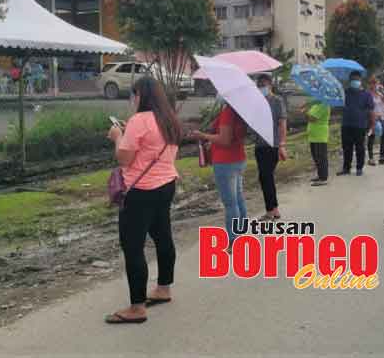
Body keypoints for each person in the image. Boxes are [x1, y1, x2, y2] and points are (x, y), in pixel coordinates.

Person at [106, 77, 181, 324]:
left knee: (133, 246)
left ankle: (137, 307)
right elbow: (152, 146)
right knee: (162, 236)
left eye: (133, 94)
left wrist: (118, 136)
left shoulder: (140, 121)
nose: (132, 99)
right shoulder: (168, 119)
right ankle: (163, 288)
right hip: (166, 184)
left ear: (141, 96)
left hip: (141, 191)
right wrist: (129, 133)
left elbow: (124, 159)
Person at [192, 98, 248, 245]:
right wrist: (212, 139)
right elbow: (229, 136)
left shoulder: (228, 112)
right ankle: (242, 232)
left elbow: (225, 140)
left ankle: (234, 239)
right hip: (238, 158)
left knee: (231, 204)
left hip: (225, 162)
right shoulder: (241, 110)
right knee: (239, 198)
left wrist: (203, 136)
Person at [253, 74, 288, 220]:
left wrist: (282, 144)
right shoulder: (257, 102)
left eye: (264, 84)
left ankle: (272, 210)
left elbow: (282, 123)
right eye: (259, 84)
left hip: (272, 144)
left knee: (266, 176)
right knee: (264, 177)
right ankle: (273, 209)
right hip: (260, 144)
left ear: (270, 85)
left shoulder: (277, 101)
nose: (262, 87)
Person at [338, 71, 375, 177]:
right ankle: (346, 168)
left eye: (357, 79)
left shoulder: (366, 94)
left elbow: (371, 111)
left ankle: (359, 168)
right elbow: (339, 106)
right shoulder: (345, 92)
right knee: (346, 147)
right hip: (346, 124)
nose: (355, 81)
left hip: (360, 125)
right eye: (353, 79)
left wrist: (372, 125)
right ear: (350, 81)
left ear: (360, 80)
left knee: (360, 147)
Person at [303, 100, 331, 186]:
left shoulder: (324, 105)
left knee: (321, 157)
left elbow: (313, 119)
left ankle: (323, 178)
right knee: (316, 157)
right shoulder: (316, 104)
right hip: (313, 136)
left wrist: (305, 112)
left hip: (320, 135)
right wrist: (307, 112)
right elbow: (309, 117)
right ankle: (320, 175)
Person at [366, 76, 382, 166]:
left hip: (379, 117)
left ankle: (382, 155)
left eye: (377, 83)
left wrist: (382, 93)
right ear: (370, 84)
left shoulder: (379, 94)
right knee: (371, 138)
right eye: (374, 83)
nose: (375, 85)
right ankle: (371, 158)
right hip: (370, 119)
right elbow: (366, 107)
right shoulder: (367, 94)